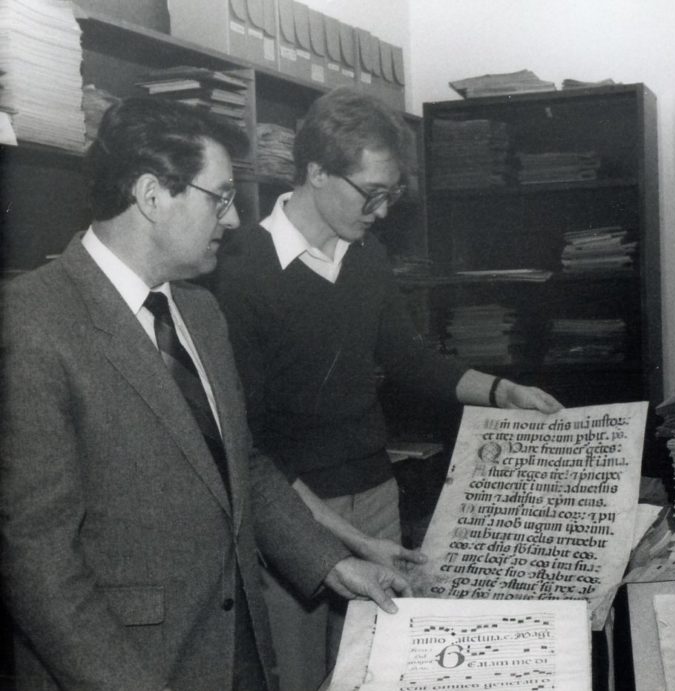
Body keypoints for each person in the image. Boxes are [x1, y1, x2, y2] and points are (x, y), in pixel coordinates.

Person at [0, 97, 413, 691]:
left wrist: (331, 563)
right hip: (122, 668)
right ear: (152, 196)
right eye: (219, 197)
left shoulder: (200, 310)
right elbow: (36, 561)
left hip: (234, 652)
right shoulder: (32, 322)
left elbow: (238, 464)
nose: (234, 220)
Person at [212, 87, 563, 690]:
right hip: (289, 509)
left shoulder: (366, 256)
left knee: (379, 670)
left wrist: (504, 392)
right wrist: (335, 536)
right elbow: (250, 437)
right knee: (296, 676)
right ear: (317, 172)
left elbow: (407, 359)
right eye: (371, 192)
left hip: (373, 493)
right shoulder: (239, 266)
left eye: (391, 194)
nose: (380, 210)